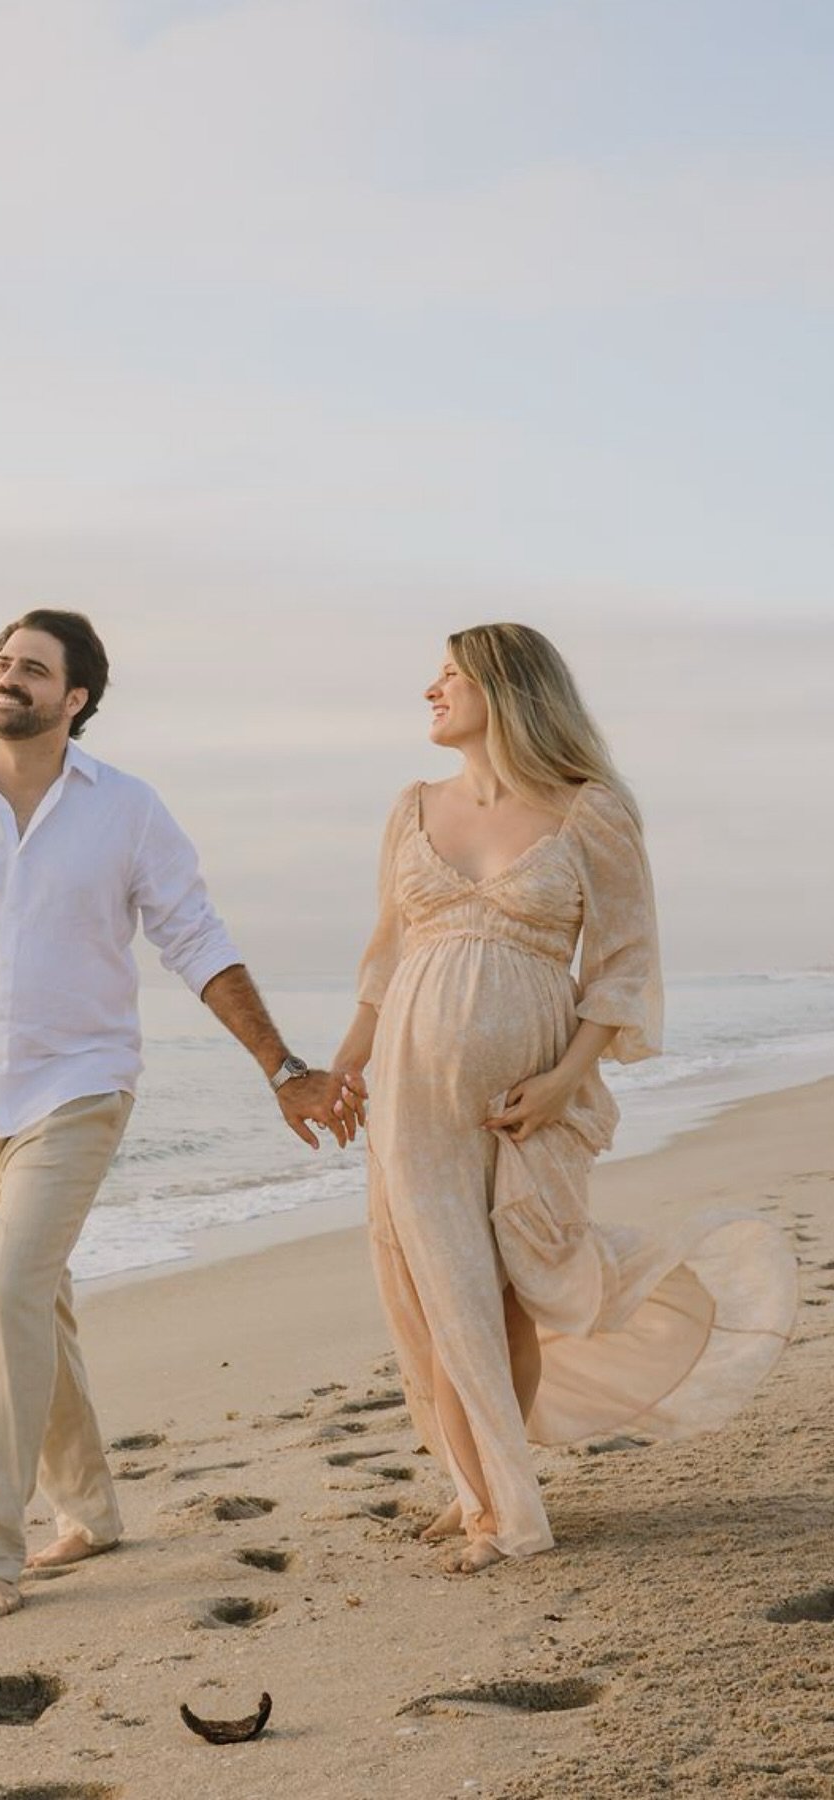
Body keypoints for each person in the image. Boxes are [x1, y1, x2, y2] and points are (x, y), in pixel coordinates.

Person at [0, 609, 346, 1625]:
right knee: (29, 1302)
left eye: (32, 669)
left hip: (78, 1088)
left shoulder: (127, 810)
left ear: (75, 699)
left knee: (11, 1295)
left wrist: (281, 1064)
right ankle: (89, 1508)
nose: (7, 678)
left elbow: (196, 942)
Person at [329, 622, 796, 1574]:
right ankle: (491, 1499)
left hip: (529, 1097)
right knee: (442, 1295)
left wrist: (562, 1081)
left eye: (451, 675)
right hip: (413, 1094)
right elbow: (384, 959)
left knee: (510, 1296)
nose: (432, 689)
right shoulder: (412, 807)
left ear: (507, 689)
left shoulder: (591, 813)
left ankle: (495, 1494)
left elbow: (623, 966)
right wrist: (344, 1067)